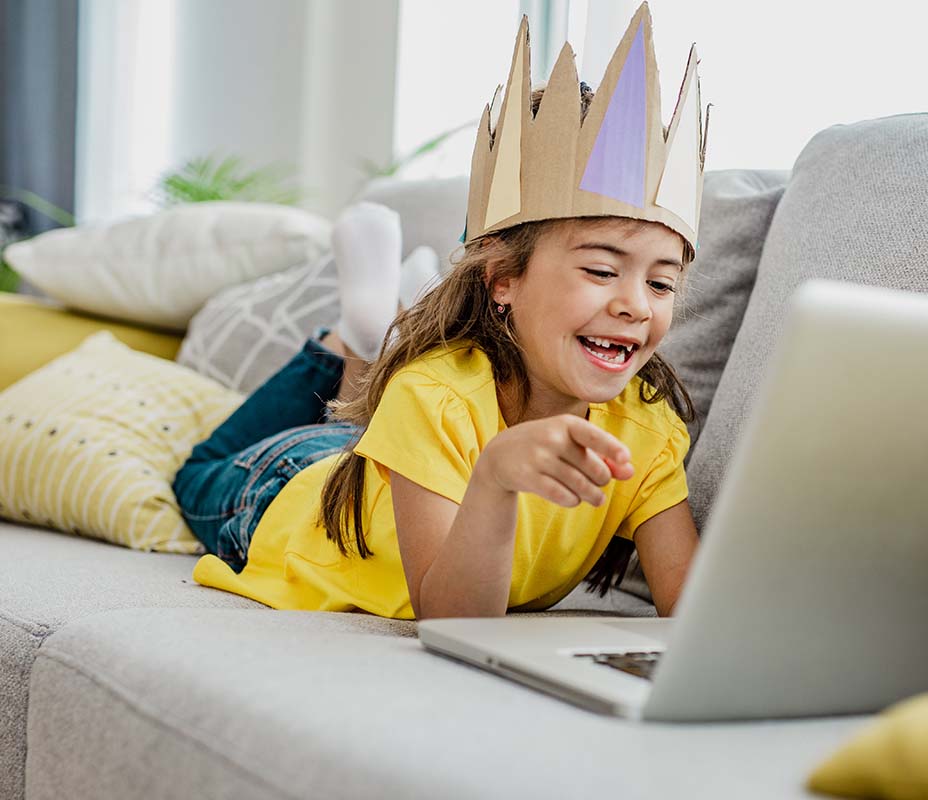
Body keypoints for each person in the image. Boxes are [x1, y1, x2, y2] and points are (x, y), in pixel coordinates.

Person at [175, 5, 709, 619]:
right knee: (196, 473)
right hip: (292, 491)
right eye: (600, 270)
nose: (635, 305)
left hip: (392, 463)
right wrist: (495, 480)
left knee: (369, 435)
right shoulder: (432, 394)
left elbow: (691, 616)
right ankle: (351, 339)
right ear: (504, 280)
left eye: (662, 284)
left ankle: (368, 337)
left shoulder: (646, 428)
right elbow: (453, 620)